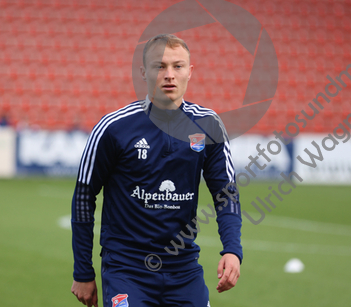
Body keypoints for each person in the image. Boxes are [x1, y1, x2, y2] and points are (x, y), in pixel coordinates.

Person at [71, 34, 242, 307]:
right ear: (144, 72)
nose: (169, 75)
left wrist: (232, 250)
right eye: (159, 66)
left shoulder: (208, 126)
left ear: (190, 72)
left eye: (178, 66)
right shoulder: (114, 128)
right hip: (126, 270)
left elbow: (226, 193)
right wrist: (83, 271)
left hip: (184, 269)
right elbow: (83, 197)